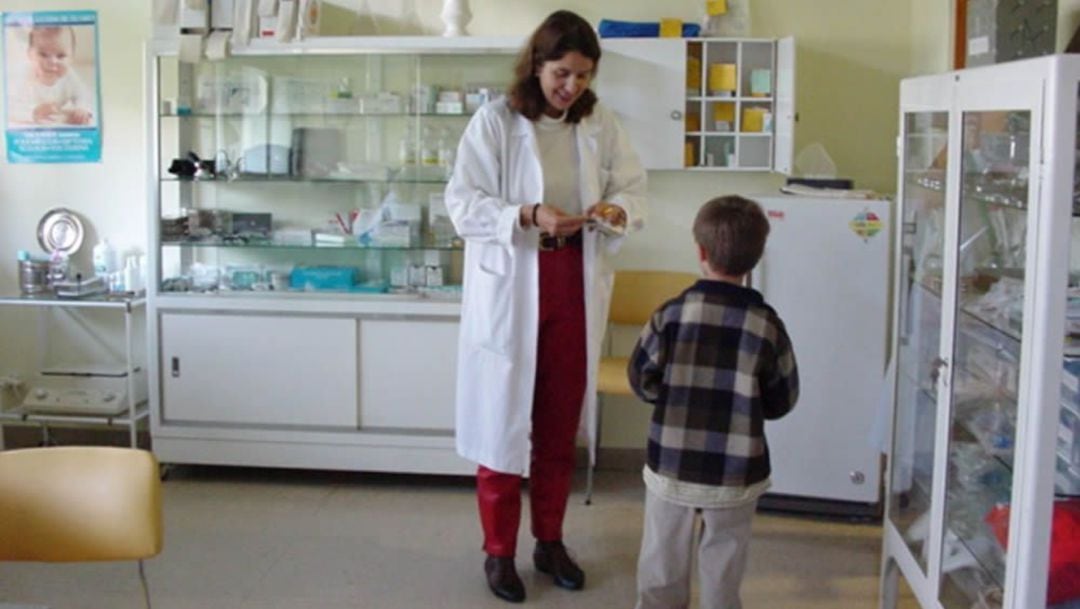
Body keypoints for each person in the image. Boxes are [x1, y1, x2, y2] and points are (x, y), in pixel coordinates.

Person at [444, 9, 646, 604]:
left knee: (558, 429)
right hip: (513, 282)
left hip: (573, 278)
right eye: (562, 73)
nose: (572, 87)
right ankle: (499, 552)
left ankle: (550, 541)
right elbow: (462, 204)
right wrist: (527, 215)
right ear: (537, 66)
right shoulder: (496, 122)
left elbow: (632, 186)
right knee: (501, 427)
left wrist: (615, 211)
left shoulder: (599, 122)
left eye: (583, 75)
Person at [627, 195, 799, 609]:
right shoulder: (767, 326)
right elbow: (783, 398)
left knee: (661, 563)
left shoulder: (669, 316)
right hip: (736, 472)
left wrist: (669, 399)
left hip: (673, 465)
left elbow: (640, 378)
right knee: (724, 562)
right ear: (755, 260)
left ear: (700, 252)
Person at [7, 25, 93, 126]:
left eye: (61, 56)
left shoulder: (69, 76)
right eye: (43, 54)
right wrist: (33, 113)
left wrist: (81, 108)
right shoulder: (23, 77)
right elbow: (9, 107)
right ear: (30, 54)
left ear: (71, 58)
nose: (52, 62)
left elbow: (83, 94)